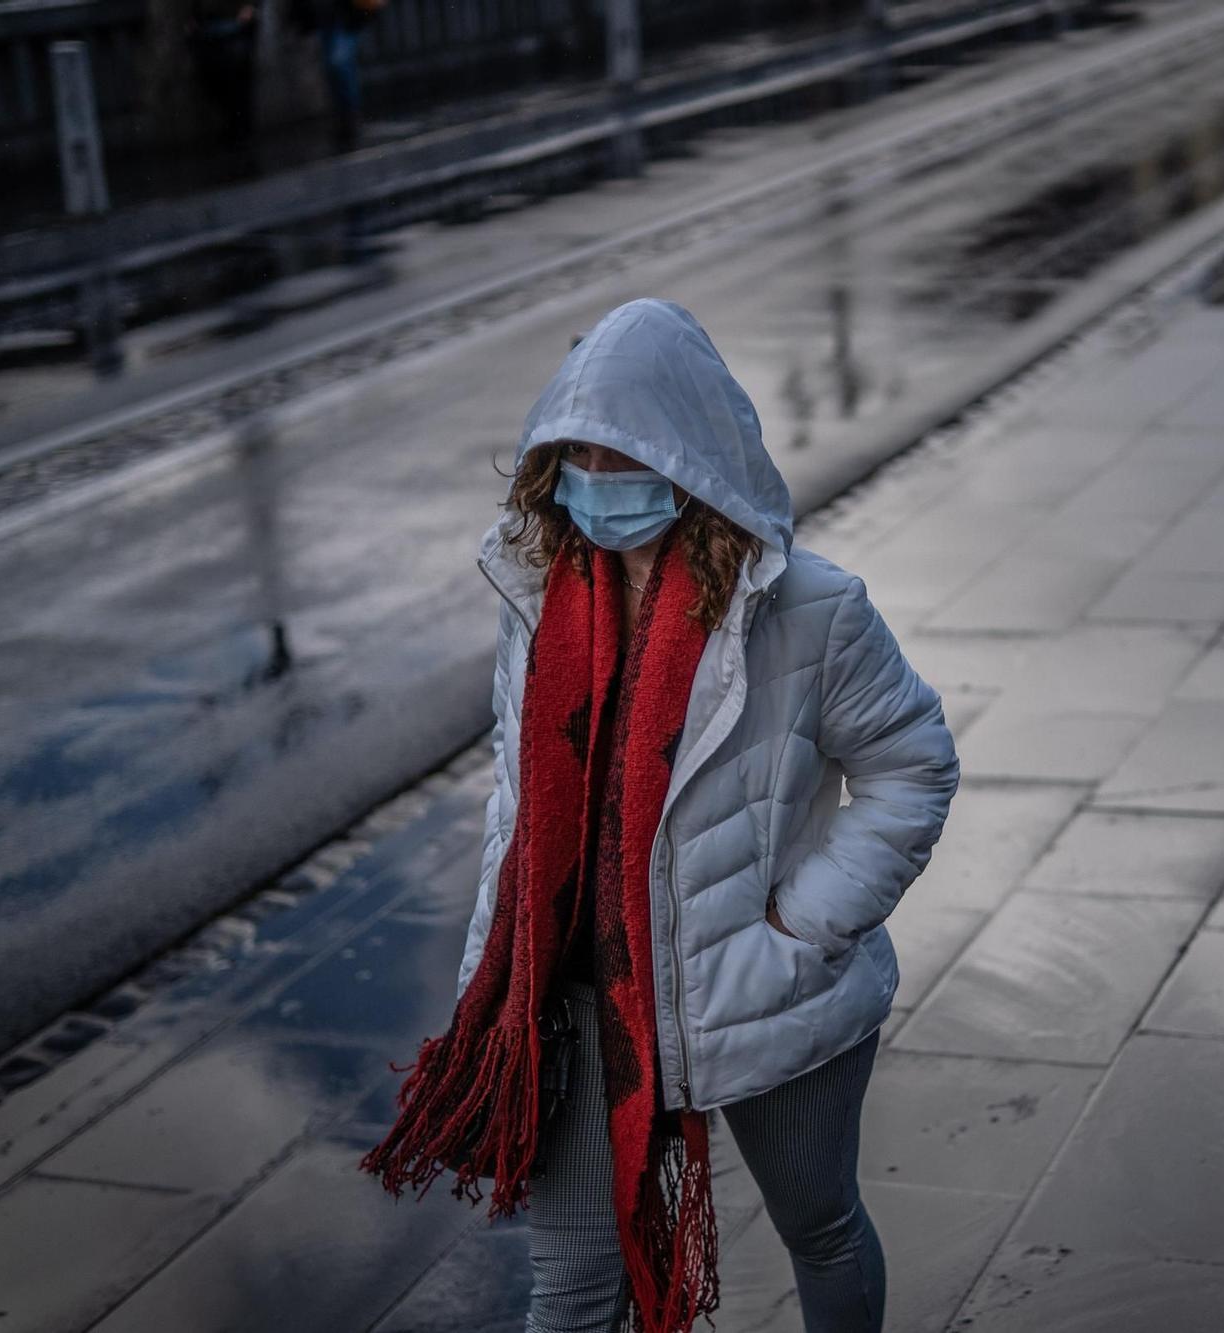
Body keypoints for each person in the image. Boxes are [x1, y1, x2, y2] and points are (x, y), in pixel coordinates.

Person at [361, 298, 960, 1333]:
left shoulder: (809, 610)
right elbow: (518, 811)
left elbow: (913, 767)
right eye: (576, 453)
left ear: (688, 453)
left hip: (762, 989)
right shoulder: (543, 602)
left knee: (819, 1229)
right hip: (577, 996)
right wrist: (490, 985)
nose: (599, 477)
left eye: (622, 451)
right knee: (572, 1292)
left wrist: (803, 929)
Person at [289, 0, 378, 149]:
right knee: (332, 65)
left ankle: (350, 115)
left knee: (338, 61)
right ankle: (344, 115)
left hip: (345, 13)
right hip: (326, 14)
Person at [185, 0, 259, 148]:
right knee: (214, 79)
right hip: (210, 24)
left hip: (234, 22)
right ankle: (234, 126)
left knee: (238, 78)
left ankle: (240, 129)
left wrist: (250, 7)